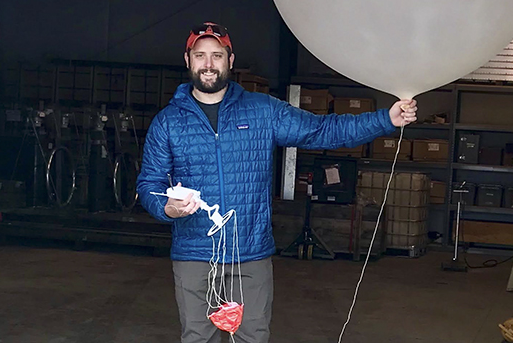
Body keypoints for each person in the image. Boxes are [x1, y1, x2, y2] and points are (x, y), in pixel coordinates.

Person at [137, 22, 417, 343]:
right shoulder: (168, 122)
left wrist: (385, 119)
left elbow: (321, 130)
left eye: (217, 55)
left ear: (231, 60)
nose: (209, 64)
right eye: (200, 55)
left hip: (250, 253)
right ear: (188, 60)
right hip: (195, 253)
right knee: (198, 338)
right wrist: (167, 209)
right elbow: (150, 183)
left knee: (253, 337)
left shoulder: (262, 110)